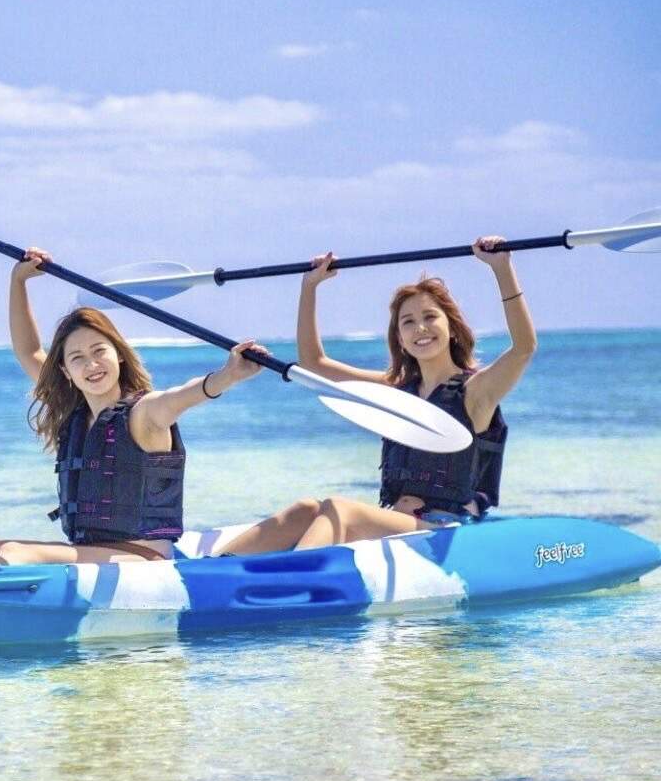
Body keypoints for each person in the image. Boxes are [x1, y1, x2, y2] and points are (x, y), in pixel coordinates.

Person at [0, 248, 268, 566]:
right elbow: (28, 350)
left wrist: (229, 374)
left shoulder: (144, 413)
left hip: (143, 561)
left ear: (118, 353)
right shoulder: (74, 412)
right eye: (77, 358)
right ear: (66, 371)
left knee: (16, 551)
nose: (91, 365)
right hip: (93, 554)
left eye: (99, 352)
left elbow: (186, 394)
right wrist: (19, 280)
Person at [221, 236, 537, 554]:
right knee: (306, 509)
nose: (421, 329)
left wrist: (502, 268)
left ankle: (292, 577)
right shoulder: (395, 391)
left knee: (339, 508)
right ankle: (210, 568)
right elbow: (313, 363)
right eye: (408, 322)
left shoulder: (475, 392)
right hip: (397, 523)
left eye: (430, 317)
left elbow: (523, 348)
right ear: (400, 339)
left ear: (452, 328)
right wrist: (310, 286)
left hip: (448, 531)